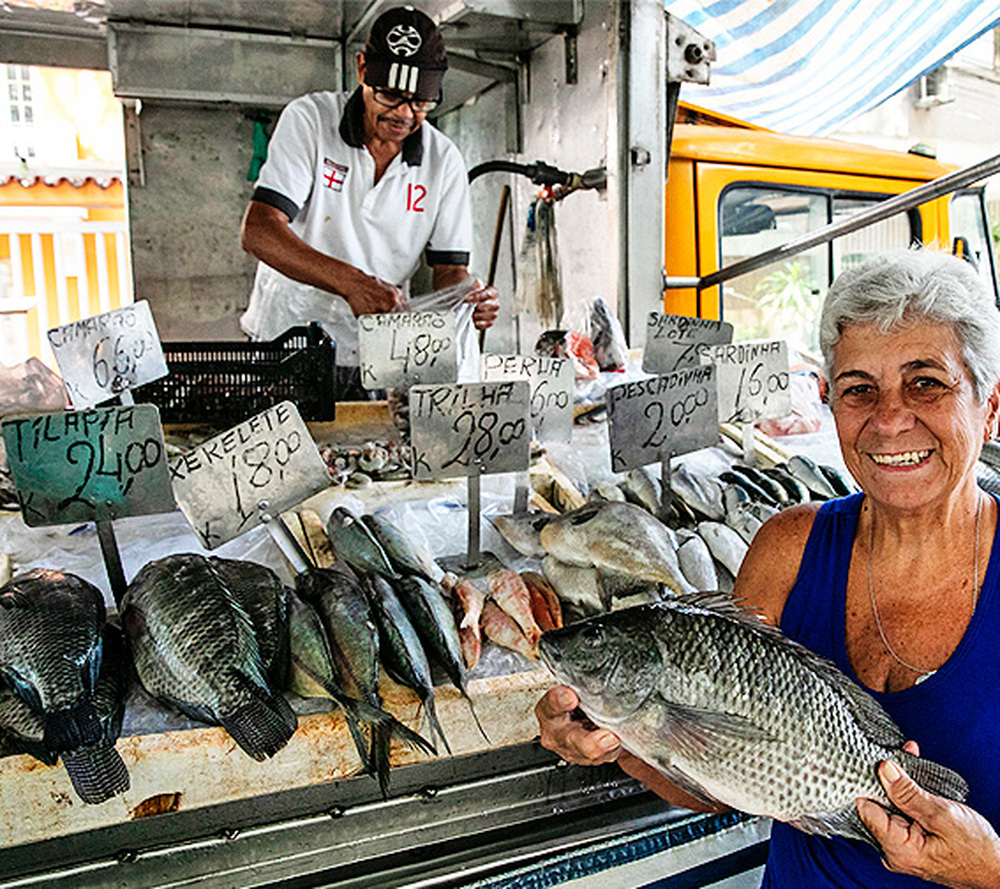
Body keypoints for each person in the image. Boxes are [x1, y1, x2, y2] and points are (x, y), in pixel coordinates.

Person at [536, 249, 1000, 887]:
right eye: (860, 389)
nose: (890, 420)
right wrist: (615, 741)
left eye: (926, 382)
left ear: (990, 405)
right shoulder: (788, 548)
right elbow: (726, 781)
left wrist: (992, 869)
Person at [240, 5, 499, 398]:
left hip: (378, 353)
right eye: (391, 95)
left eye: (421, 102)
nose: (405, 115)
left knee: (368, 452)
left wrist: (469, 298)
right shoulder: (310, 121)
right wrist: (352, 284)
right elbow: (259, 231)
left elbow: (450, 269)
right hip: (288, 342)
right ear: (362, 70)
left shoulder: (442, 160)